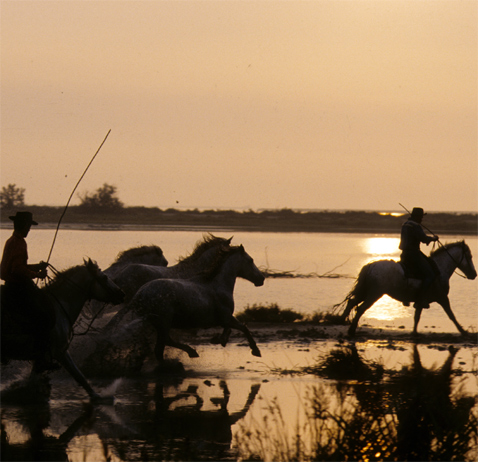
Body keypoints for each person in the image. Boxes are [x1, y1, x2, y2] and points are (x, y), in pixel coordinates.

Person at [1, 211, 51, 331]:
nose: (29, 230)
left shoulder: (11, 240)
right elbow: (17, 269)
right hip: (18, 288)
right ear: (23, 226)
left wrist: (37, 266)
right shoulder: (19, 243)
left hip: (11, 286)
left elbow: (19, 266)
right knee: (41, 312)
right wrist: (37, 274)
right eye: (28, 227)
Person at [399, 207, 439, 309]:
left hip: (404, 254)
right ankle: (420, 299)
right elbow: (424, 239)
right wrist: (433, 238)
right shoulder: (415, 226)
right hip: (413, 254)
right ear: (416, 216)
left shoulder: (405, 224)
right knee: (430, 274)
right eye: (421, 217)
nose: (422, 219)